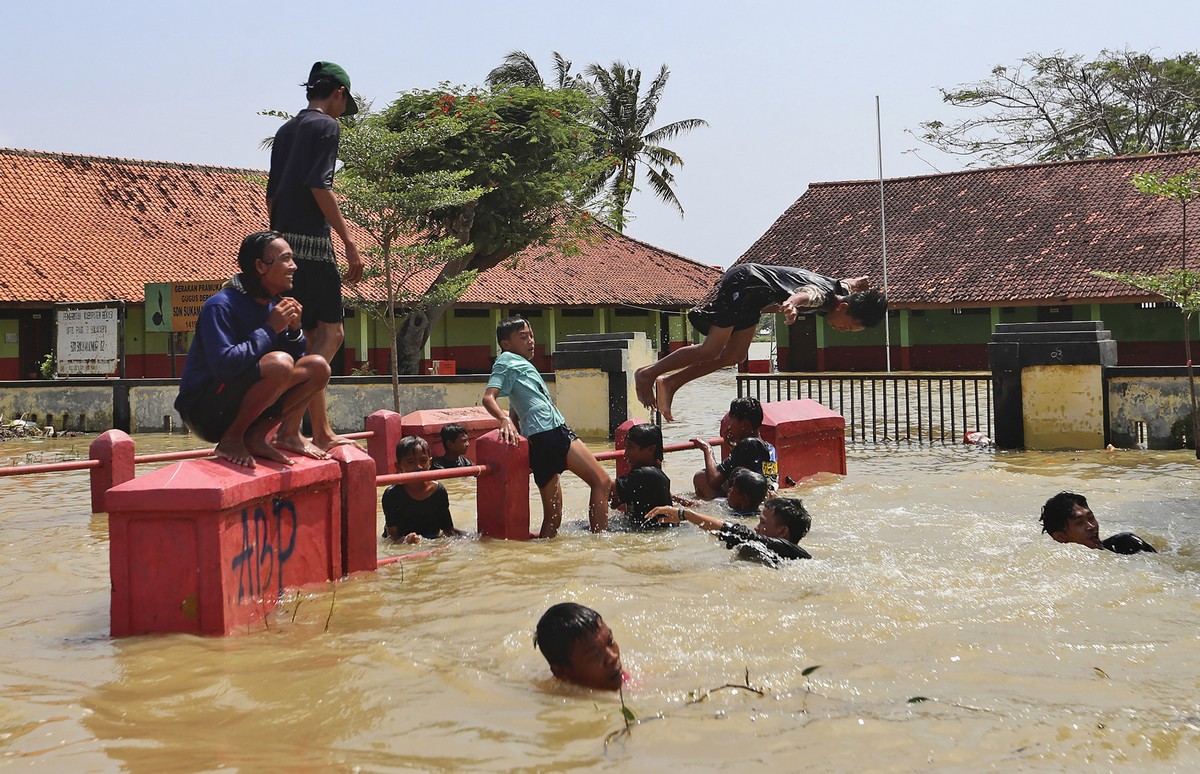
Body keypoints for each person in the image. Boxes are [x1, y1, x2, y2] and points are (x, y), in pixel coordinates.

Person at [635, 264, 887, 421]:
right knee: (711, 349)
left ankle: (670, 382)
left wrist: (859, 283)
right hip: (744, 283)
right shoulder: (823, 296)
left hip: (752, 296)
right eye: (848, 325)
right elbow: (806, 294)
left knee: (734, 355)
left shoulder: (839, 289)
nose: (843, 330)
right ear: (843, 307)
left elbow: (849, 283)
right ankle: (647, 373)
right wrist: (792, 304)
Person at [267, 61, 363, 453]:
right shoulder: (327, 126)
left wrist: (278, 244)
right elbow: (319, 185)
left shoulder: (286, 130)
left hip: (284, 242)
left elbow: (272, 194)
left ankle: (320, 430)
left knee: (309, 341)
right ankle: (291, 427)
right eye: (344, 102)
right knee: (333, 333)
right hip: (312, 242)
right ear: (338, 93)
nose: (343, 112)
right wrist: (349, 241)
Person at [175, 231, 333, 468]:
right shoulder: (220, 305)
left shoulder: (275, 305)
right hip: (204, 410)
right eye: (286, 259)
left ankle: (256, 436)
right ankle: (231, 439)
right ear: (260, 266)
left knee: (318, 367)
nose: (294, 266)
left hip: (243, 401)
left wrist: (293, 329)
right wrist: (270, 329)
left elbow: (295, 361)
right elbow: (225, 366)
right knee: (279, 364)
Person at [483, 317, 613, 536]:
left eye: (531, 336)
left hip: (540, 438)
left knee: (553, 518)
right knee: (602, 481)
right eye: (523, 337)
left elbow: (516, 404)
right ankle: (600, 542)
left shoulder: (517, 363)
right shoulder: (505, 360)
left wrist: (517, 432)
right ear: (506, 344)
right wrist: (504, 421)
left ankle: (543, 559)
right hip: (550, 432)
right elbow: (488, 398)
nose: (531, 341)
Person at [648, 496, 813, 567]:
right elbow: (728, 536)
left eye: (763, 523)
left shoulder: (786, 548)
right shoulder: (772, 552)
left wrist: (686, 514)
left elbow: (735, 533)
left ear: (783, 532)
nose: (756, 528)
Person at [382, 436, 465, 543]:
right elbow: (392, 537)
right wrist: (406, 540)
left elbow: (448, 530)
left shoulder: (438, 491)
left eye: (423, 461)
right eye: (410, 462)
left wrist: (473, 538)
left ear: (430, 462)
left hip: (431, 542)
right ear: (398, 467)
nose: (418, 467)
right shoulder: (392, 494)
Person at [692, 396, 777, 500]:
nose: (729, 425)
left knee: (701, 477)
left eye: (731, 420)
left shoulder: (747, 445)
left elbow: (714, 479)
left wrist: (707, 449)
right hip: (761, 498)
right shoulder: (769, 447)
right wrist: (735, 447)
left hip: (747, 504)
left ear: (744, 424)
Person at [534, 603, 624, 691]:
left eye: (610, 641)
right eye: (596, 655)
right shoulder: (566, 702)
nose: (613, 657)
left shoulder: (614, 675)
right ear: (561, 672)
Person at [1039, 492, 1157, 555]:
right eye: (1079, 523)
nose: (1091, 526)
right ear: (1060, 537)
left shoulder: (1125, 543)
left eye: (1090, 518)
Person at [610, 423, 673, 529]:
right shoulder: (653, 473)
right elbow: (614, 503)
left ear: (650, 449)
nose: (625, 454)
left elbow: (604, 486)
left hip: (651, 534)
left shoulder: (645, 474)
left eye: (630, 448)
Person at [673, 467, 769, 519]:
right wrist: (675, 498)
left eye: (733, 488)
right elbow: (696, 504)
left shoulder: (728, 514)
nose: (729, 490)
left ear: (744, 498)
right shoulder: (761, 516)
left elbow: (697, 506)